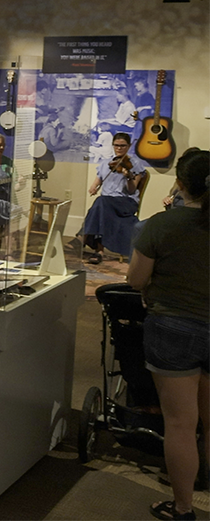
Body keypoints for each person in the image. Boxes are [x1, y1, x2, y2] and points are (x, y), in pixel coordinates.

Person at [127, 149, 210, 521]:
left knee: (180, 423)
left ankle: (183, 509)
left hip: (174, 327)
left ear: (180, 184)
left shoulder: (163, 224)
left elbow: (135, 280)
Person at [81, 132, 148, 264]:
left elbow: (131, 190)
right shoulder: (107, 162)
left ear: (128, 146)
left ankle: (83, 237)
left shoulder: (134, 164)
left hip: (125, 202)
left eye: (123, 146)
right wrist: (94, 187)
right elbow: (98, 180)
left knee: (101, 202)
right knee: (102, 203)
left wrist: (128, 176)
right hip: (106, 202)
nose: (119, 148)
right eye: (116, 145)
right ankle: (99, 252)